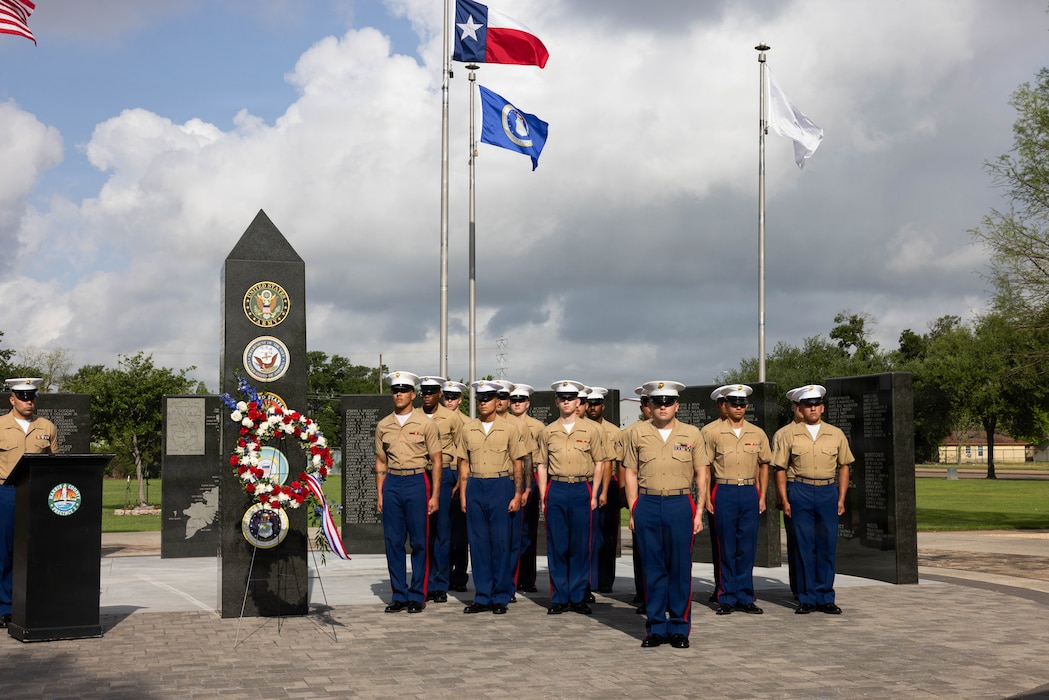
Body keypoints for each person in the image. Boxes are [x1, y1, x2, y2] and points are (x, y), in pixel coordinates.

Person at [622, 380, 710, 649]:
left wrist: (700, 512)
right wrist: (634, 509)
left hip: (680, 504)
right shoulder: (637, 433)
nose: (663, 407)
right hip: (647, 502)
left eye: (668, 402)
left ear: (676, 406)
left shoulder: (691, 434)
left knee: (680, 569)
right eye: (658, 402)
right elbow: (630, 473)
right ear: (650, 405)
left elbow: (702, 474)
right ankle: (656, 627)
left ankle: (680, 628)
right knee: (653, 569)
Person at [771, 384, 854, 615]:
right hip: (801, 489)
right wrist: (785, 499)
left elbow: (844, 466)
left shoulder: (835, 434)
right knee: (804, 545)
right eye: (808, 405)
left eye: (816, 405)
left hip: (827, 491)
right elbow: (780, 468)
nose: (813, 409)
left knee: (827, 545)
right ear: (801, 408)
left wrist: (841, 497)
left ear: (823, 408)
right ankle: (807, 597)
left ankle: (826, 596)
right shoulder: (789, 435)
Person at [535, 380, 610, 615]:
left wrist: (595, 492)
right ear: (557, 402)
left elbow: (600, 462)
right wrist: (543, 496)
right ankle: (559, 597)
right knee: (557, 545)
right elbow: (542, 465)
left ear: (578, 402)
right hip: (556, 488)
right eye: (562, 398)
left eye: (571, 398)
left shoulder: (591, 430)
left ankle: (577, 596)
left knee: (580, 545)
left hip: (581, 488)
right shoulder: (548, 432)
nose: (566, 401)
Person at [374, 371, 442, 613]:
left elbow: (436, 460)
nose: (399, 394)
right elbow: (381, 462)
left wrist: (434, 495)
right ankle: (399, 595)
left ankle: (417, 594)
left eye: (403, 390)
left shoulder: (426, 424)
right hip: (392, 482)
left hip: (416, 482)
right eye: (395, 391)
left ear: (413, 395)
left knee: (419, 542)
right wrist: (381, 494)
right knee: (393, 542)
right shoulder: (384, 425)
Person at [457, 380, 526, 614]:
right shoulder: (468, 428)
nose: (483, 402)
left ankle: (501, 595)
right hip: (476, 484)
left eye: (488, 399)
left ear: (498, 402)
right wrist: (464, 494)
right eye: (480, 399)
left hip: (500, 485)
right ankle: (482, 595)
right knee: (478, 544)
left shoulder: (510, 429)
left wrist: (517, 493)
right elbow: (463, 462)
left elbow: (518, 463)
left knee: (500, 543)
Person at [704, 384, 771, 615]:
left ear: (747, 406)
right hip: (724, 490)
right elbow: (705, 467)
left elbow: (764, 466)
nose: (739, 407)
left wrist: (762, 495)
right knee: (726, 547)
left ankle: (745, 596)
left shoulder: (757, 433)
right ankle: (726, 597)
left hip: (749, 491)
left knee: (746, 547)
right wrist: (706, 497)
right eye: (734, 403)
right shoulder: (713, 433)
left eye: (742, 404)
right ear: (726, 405)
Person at [0, 378, 59, 629]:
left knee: (36, 550)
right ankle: (5, 608)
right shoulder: (0, 426)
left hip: (37, 495)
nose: (28, 402)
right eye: (23, 397)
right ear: (11, 399)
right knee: (5, 552)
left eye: (32, 397)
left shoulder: (47, 427)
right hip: (7, 493)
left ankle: (35, 602)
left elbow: (55, 463)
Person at [419, 375, 464, 604]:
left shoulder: (450, 418)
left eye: (431, 391)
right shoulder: (414, 416)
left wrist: (458, 479)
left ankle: (440, 583)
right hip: (420, 474)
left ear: (439, 393)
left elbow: (461, 448)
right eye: (423, 391)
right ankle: (423, 581)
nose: (426, 395)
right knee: (423, 531)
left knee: (443, 531)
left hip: (444, 473)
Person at [493, 379, 535, 602]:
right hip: (489, 485)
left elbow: (527, 459)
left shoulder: (519, 426)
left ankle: (508, 585)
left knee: (511, 539)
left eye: (502, 397)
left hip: (511, 484)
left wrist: (527, 489)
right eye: (495, 397)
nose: (499, 401)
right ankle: (493, 583)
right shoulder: (481, 423)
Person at [585, 387, 623, 594]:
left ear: (603, 406)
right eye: (589, 404)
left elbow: (619, 462)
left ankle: (606, 579)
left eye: (596, 404)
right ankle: (589, 578)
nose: (592, 408)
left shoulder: (615, 432)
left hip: (609, 484)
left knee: (608, 535)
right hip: (587, 481)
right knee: (588, 534)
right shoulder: (580, 428)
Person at [508, 383, 545, 593]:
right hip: (511, 481)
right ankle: (512, 577)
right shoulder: (504, 423)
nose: (517, 404)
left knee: (528, 532)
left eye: (520, 400)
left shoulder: (538, 427)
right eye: (514, 400)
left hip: (529, 482)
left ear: (527, 403)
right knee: (511, 533)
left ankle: (527, 578)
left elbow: (538, 458)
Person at [772, 387, 805, 599]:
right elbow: (779, 469)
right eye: (801, 405)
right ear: (794, 407)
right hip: (795, 488)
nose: (806, 409)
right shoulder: (783, 434)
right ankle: (800, 588)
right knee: (798, 543)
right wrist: (781, 497)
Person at [622, 385, 653, 613]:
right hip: (643, 495)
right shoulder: (632, 432)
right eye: (650, 403)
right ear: (643, 407)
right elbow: (626, 469)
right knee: (643, 550)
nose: (654, 407)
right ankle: (644, 593)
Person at [701, 385, 732, 603]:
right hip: (718, 488)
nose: (726, 406)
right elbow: (705, 468)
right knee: (720, 544)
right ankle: (721, 586)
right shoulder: (708, 431)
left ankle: (740, 588)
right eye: (723, 403)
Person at [440, 380, 470, 592]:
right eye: (447, 397)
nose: (449, 401)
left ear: (460, 399)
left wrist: (461, 483)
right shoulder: (436, 420)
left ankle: (459, 576)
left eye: (453, 397)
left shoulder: (468, 423)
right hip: (440, 476)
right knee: (441, 530)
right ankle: (441, 573)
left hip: (459, 475)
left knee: (459, 532)